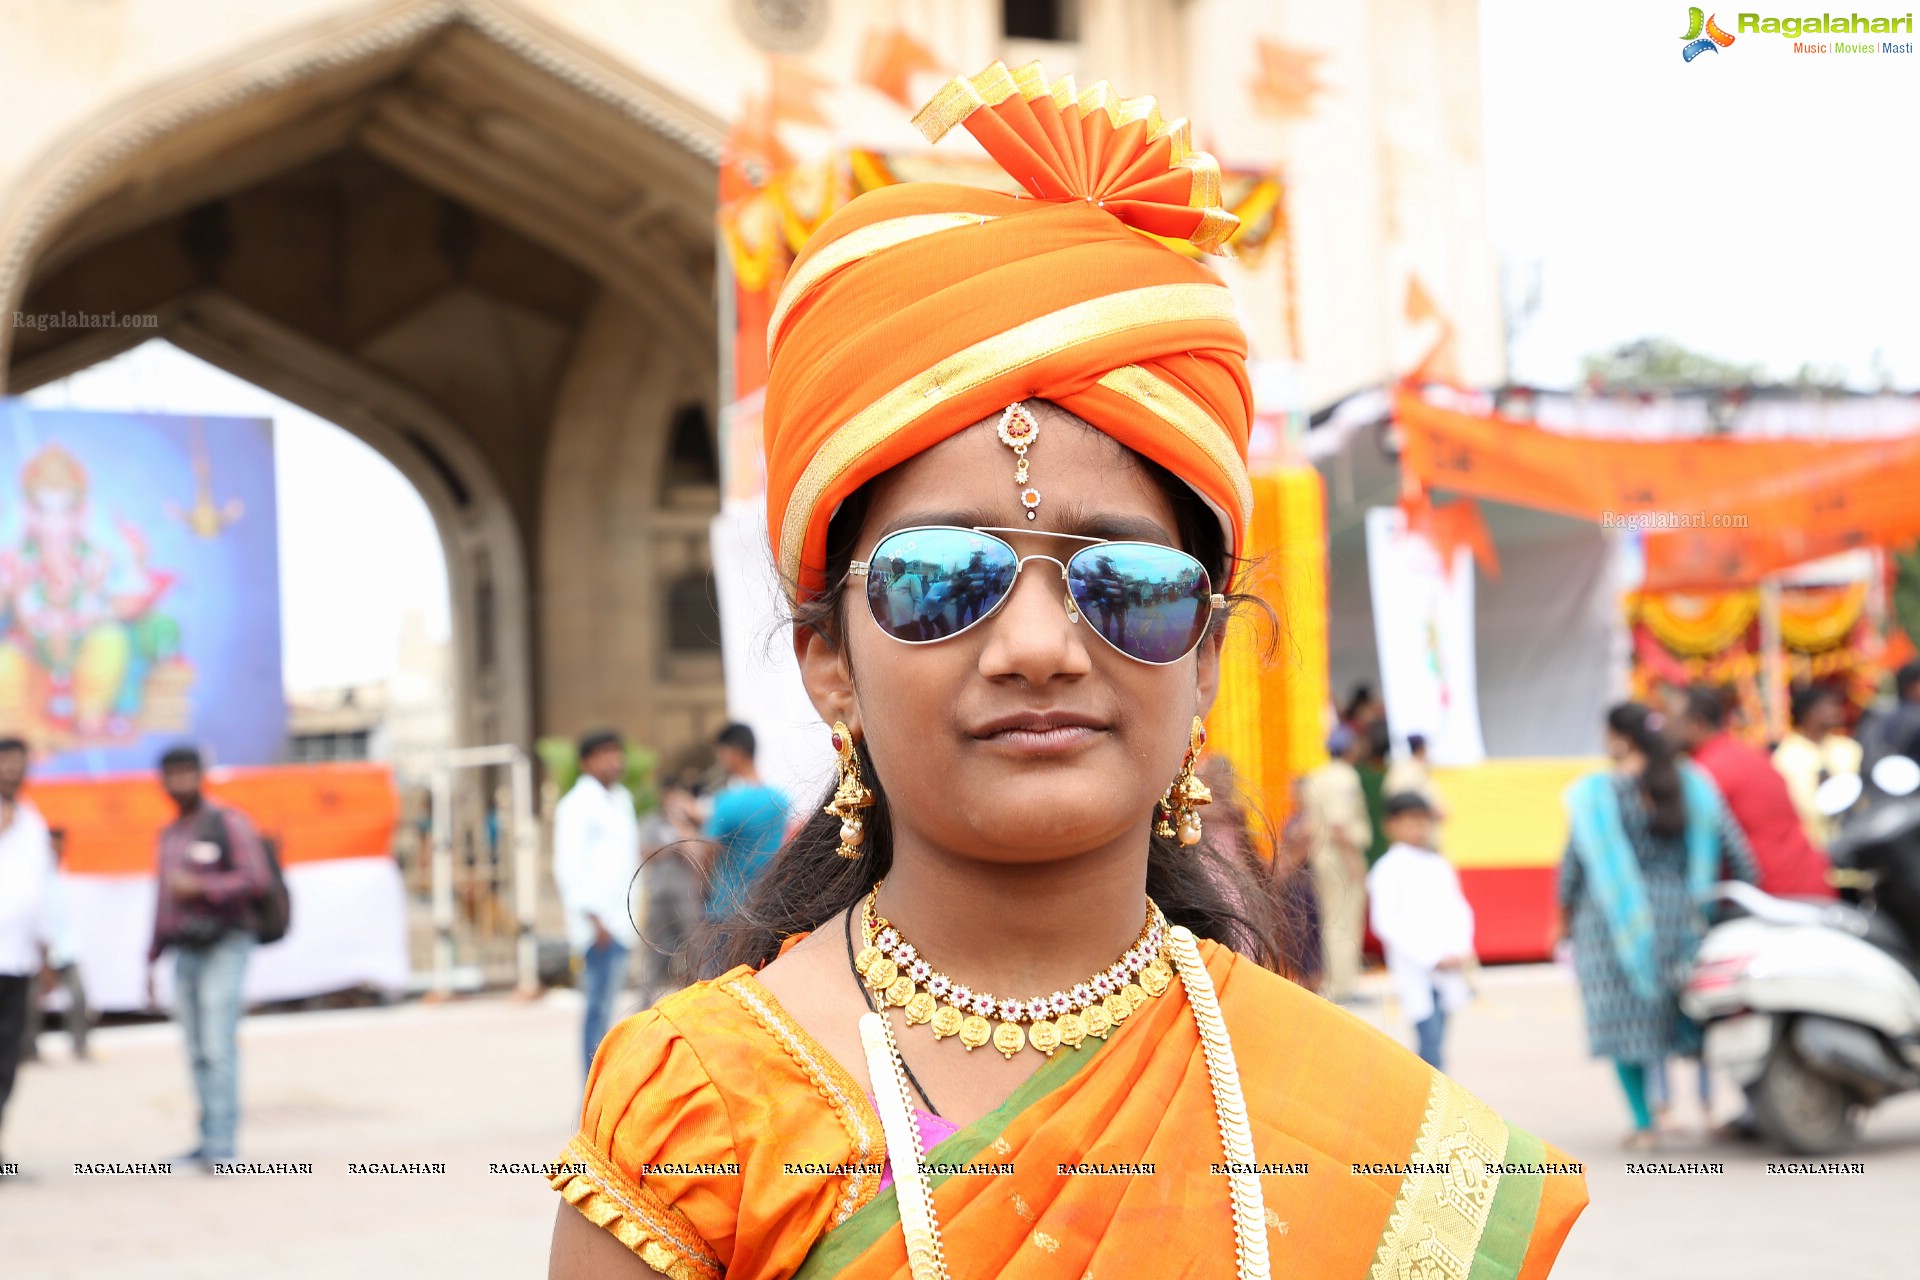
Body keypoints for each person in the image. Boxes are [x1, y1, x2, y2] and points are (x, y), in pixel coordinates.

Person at [547, 64, 1584, 1279]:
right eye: (942, 579)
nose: (1039, 646)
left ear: (1203, 659)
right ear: (830, 663)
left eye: (1126, 584)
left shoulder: (1385, 1143)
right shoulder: (700, 1111)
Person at [1558, 703, 1759, 1149]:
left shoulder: (1596, 795)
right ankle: (1729, 1108)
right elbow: (1741, 857)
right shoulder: (1695, 786)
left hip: (1609, 921)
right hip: (1683, 919)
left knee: (1623, 1025)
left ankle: (1646, 1123)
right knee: (1703, 1018)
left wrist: (1560, 921)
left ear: (1619, 738)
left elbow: (1572, 869)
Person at [146, 745, 273, 1167]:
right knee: (197, 1047)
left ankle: (222, 1142)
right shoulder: (169, 834)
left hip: (225, 943)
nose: (181, 782)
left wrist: (203, 887)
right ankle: (205, 1137)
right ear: (161, 781)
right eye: (172, 774)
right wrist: (152, 955)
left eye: (188, 773)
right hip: (185, 948)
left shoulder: (227, 821)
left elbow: (256, 878)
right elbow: (163, 900)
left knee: (219, 1044)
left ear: (202, 775)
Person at [1673, 686, 1833, 899]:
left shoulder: (1705, 772)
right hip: (1809, 888)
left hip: (1770, 902)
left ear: (1696, 724)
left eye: (1668, 720)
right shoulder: (1747, 755)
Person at [552, 729, 643, 1075]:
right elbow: (568, 865)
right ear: (586, 762)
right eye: (604, 753)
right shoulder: (576, 805)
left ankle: (604, 1093)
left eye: (616, 752)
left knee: (610, 1012)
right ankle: (591, 1099)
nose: (614, 760)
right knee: (598, 1011)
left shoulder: (621, 799)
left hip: (620, 920)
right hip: (598, 926)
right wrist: (593, 917)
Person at [1367, 792, 1474, 1070]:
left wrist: (1459, 949)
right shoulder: (1387, 870)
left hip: (1447, 966)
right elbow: (1386, 922)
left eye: (1424, 821)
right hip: (1417, 967)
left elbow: (1458, 909)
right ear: (1391, 826)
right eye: (1411, 821)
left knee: (1438, 1041)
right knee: (1430, 1045)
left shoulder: (1438, 865)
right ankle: (1434, 1105)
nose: (1419, 828)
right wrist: (1431, 956)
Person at [668, 723, 789, 923]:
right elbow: (745, 828)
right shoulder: (779, 799)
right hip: (766, 904)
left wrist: (681, 828)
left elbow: (702, 857)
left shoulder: (726, 802)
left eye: (721, 754)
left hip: (729, 910)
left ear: (734, 753)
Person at [0, 737, 53, 1167]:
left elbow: (40, 891)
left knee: (8, 1057)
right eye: (4, 763)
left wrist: (47, 954)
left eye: (18, 762)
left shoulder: (33, 820)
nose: (11, 770)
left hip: (17, 960)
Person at [1302, 725, 1373, 1002]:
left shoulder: (1316, 777)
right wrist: (1354, 861)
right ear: (1351, 749)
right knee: (1343, 920)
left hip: (1321, 854)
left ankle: (1335, 982)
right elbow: (1340, 824)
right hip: (1340, 855)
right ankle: (1343, 985)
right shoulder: (1345, 777)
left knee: (1330, 918)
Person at [21, 827, 92, 1062]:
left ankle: (80, 1046)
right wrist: (42, 954)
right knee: (30, 1003)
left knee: (78, 996)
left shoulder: (64, 873)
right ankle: (28, 1051)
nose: (57, 849)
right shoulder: (33, 876)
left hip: (66, 948)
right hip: (39, 950)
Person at [1772, 684, 1861, 850]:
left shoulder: (1849, 749)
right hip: (1812, 848)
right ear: (1807, 712)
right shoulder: (1784, 758)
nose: (1837, 710)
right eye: (1828, 706)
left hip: (1856, 843)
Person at [1384, 732, 1447, 821]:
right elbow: (1401, 804)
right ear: (1422, 749)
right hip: (1413, 828)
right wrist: (1429, 811)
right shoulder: (1405, 771)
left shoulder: (1419, 769)